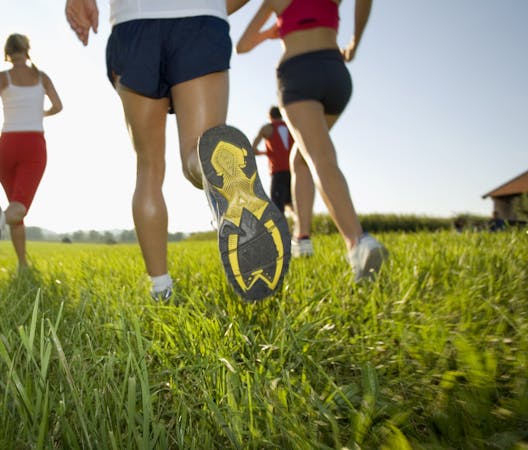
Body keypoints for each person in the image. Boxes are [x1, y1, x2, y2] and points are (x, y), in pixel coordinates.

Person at [65, 0, 290, 301]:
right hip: (201, 19)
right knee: (199, 151)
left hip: (134, 21)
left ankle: (161, 288)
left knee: (148, 166)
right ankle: (221, 167)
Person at [236, 0, 387, 281]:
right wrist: (353, 43)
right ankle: (302, 237)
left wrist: (272, 32)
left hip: (298, 73)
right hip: (335, 74)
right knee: (301, 157)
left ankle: (358, 241)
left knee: (320, 158)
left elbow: (242, 45)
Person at [0, 33, 63, 268]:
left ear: (7, 52)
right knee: (19, 208)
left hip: (5, 147)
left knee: (15, 205)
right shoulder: (41, 77)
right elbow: (58, 106)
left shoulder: (1, 77)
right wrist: (41, 113)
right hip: (33, 146)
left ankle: (22, 264)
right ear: (27, 49)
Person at [252, 105, 315, 257]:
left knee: (277, 208)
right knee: (292, 206)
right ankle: (300, 235)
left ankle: (282, 242)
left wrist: (267, 152)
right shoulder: (291, 126)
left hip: (278, 172)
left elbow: (252, 148)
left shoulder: (267, 128)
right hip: (295, 171)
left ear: (270, 116)